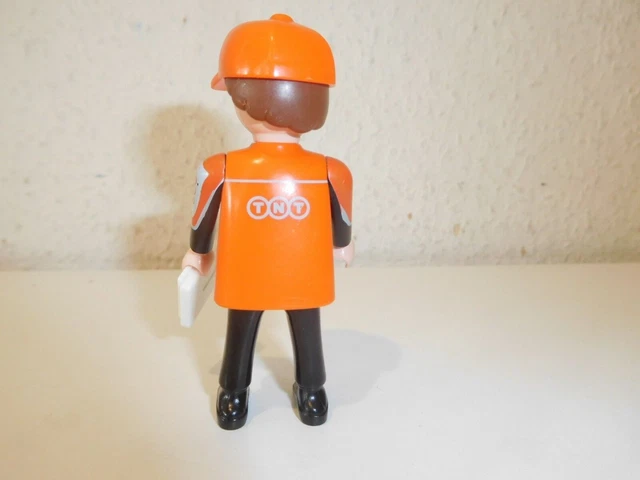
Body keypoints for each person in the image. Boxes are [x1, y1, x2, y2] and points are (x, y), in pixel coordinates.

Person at [181, 13, 354, 430]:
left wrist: (198, 253)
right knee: (306, 326)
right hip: (302, 270)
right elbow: (343, 220)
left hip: (248, 269)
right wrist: (342, 244)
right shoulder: (331, 170)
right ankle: (312, 392)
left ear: (245, 97)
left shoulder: (221, 167)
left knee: (242, 327)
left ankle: (234, 394)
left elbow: (202, 218)